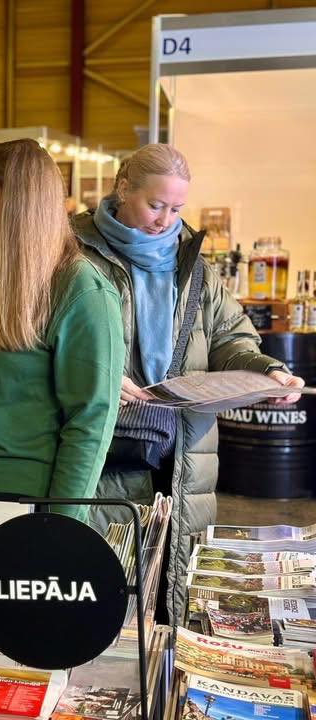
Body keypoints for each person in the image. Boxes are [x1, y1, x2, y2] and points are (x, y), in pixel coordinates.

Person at [72, 143, 305, 622]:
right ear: (123, 189)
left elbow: (230, 337)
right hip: (103, 445)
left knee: (166, 591)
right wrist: (92, 373)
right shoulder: (74, 253)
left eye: (177, 208)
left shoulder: (194, 264)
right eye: (155, 204)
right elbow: (40, 335)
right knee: (99, 587)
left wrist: (266, 370)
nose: (165, 219)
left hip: (183, 452)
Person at [0, 139, 124, 520]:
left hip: (14, 504)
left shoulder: (81, 290)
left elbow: (90, 421)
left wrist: (61, 527)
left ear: (17, 202)